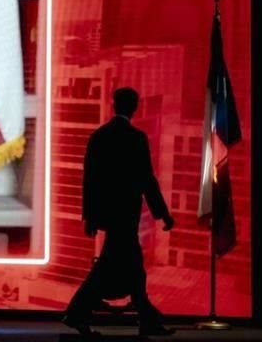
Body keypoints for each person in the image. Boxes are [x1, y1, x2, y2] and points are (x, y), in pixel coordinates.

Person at [63, 87, 176, 338]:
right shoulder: (136, 138)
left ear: (114, 105)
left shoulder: (99, 136)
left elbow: (89, 180)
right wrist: (163, 214)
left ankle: (146, 321)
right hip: (126, 216)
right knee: (115, 269)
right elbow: (147, 179)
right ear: (135, 108)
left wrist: (90, 216)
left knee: (133, 269)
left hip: (108, 215)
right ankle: (77, 314)